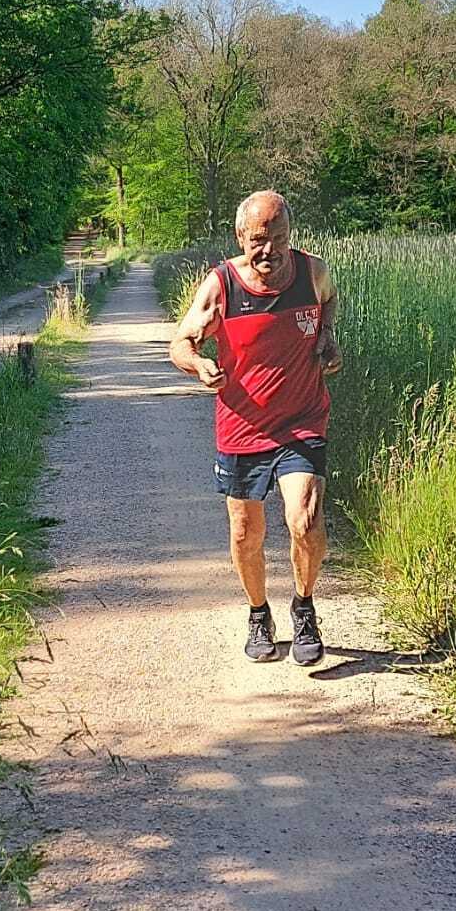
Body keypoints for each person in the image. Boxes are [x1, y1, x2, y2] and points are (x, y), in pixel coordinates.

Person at [169, 190, 341, 664]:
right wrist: (198, 366)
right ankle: (258, 613)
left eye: (279, 239)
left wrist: (326, 338)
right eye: (259, 241)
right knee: (247, 532)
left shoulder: (313, 272)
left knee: (304, 519)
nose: (269, 252)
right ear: (241, 236)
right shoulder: (222, 285)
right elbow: (181, 341)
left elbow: (328, 303)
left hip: (302, 420)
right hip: (242, 426)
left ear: (291, 236)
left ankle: (304, 607)